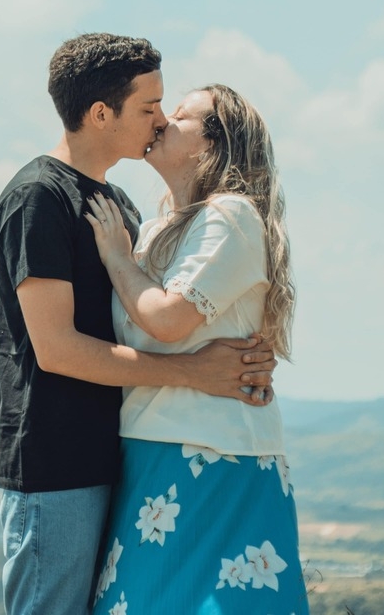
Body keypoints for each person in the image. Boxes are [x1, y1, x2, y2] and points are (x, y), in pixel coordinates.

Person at [0, 33, 278, 615]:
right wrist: (193, 373)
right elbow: (58, 350)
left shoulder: (121, 206)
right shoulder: (38, 198)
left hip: (121, 454)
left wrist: (243, 350)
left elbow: (150, 313)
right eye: (149, 107)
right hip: (56, 463)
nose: (160, 119)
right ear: (101, 114)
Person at [84, 84, 306, 613]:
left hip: (216, 455)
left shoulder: (230, 215)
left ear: (213, 144)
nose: (160, 119)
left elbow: (166, 319)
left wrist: (117, 259)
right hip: (147, 452)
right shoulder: (156, 228)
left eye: (180, 115)